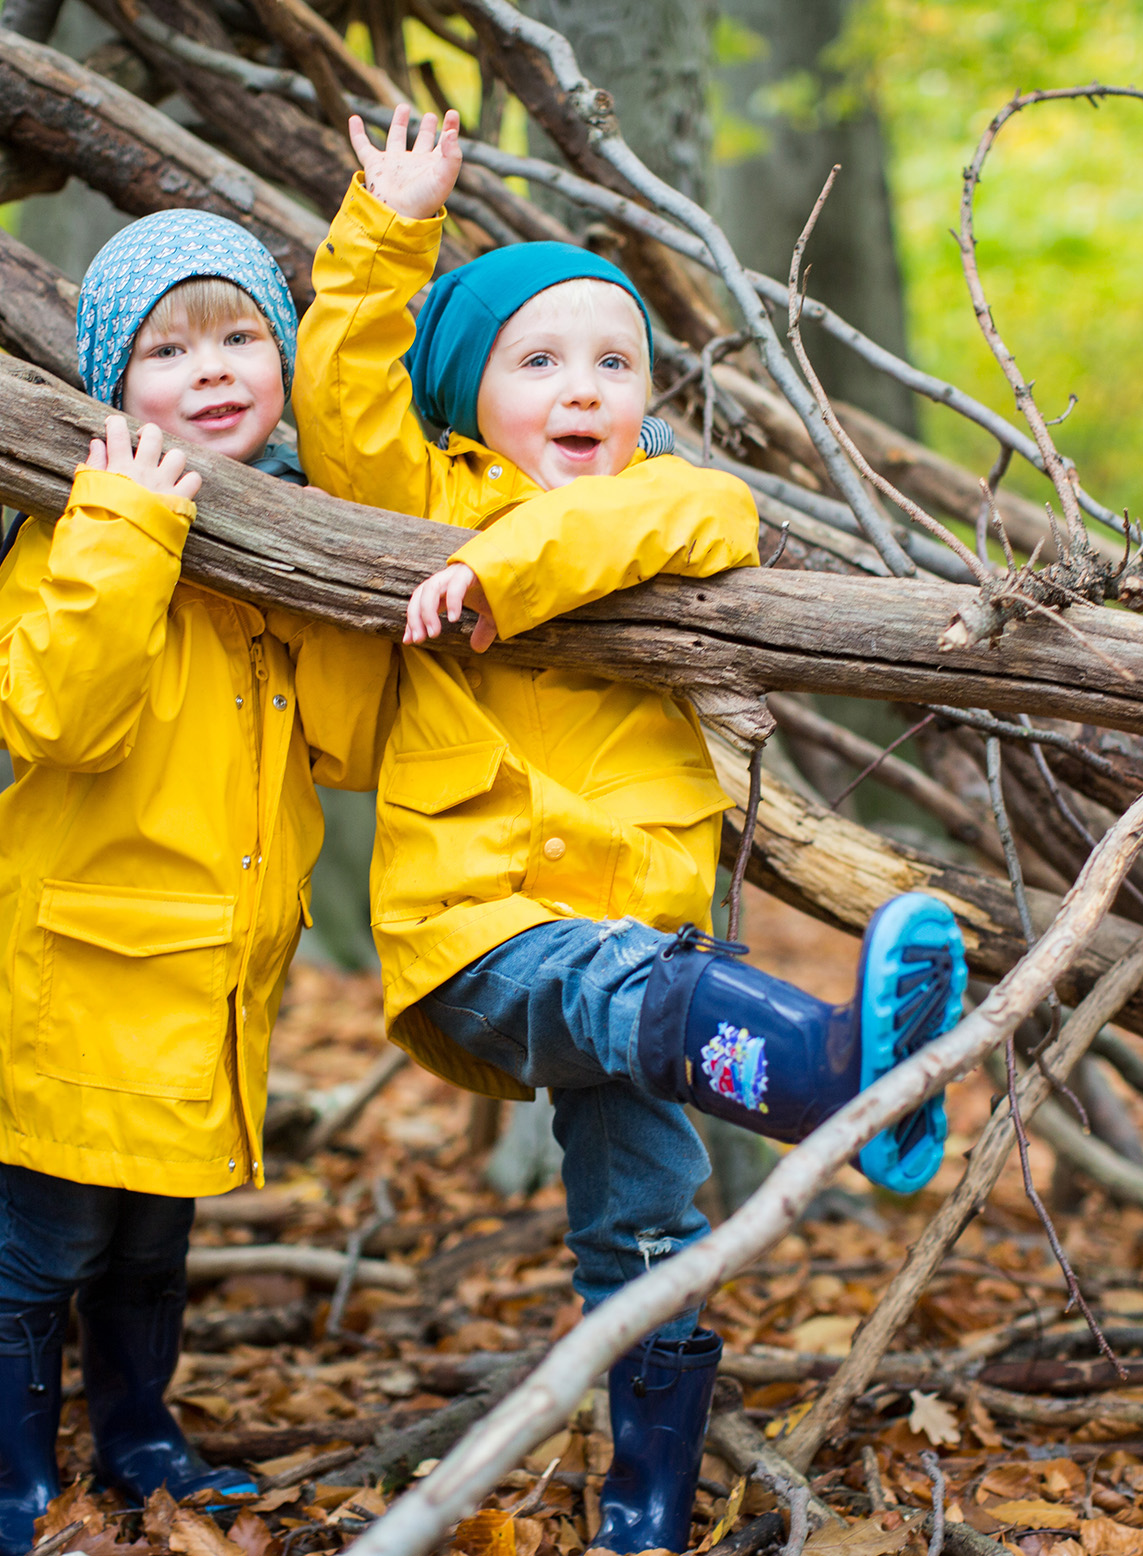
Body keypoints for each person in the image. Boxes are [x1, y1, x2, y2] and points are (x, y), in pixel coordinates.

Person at [296, 108, 968, 1555]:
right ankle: (840, 1074)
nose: (582, 389)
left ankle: (646, 1508)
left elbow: (671, 518)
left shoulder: (680, 502)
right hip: (490, 934)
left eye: (614, 363)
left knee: (652, 1230)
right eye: (536, 363)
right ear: (468, 395)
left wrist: (503, 576)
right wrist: (386, 229)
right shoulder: (423, 498)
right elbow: (343, 404)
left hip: (654, 964)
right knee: (613, 1003)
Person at [0, 212, 394, 1555]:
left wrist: (334, 576)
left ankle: (140, 1432)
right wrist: (129, 524)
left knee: (151, 1244)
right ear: (110, 389)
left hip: (203, 983)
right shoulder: (79, 533)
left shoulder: (277, 552)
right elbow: (58, 719)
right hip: (81, 974)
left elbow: (353, 741)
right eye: (167, 348)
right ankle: (12, 1469)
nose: (211, 368)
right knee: (47, 1244)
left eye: (241, 336)